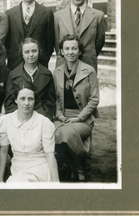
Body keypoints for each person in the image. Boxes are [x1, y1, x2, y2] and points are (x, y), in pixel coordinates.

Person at [53, 34, 99, 181]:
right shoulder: (57, 72)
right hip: (62, 117)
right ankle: (66, 164)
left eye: (74, 48)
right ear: (61, 51)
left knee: (65, 134)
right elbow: (54, 99)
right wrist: (60, 116)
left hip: (83, 119)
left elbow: (94, 99)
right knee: (50, 133)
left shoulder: (89, 71)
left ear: (79, 51)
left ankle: (80, 164)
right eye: (67, 48)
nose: (70, 52)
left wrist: (80, 117)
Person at [0, 86, 59, 183]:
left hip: (39, 167)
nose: (26, 103)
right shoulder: (6, 121)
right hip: (18, 168)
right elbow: (3, 151)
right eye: (22, 99)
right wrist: (0, 180)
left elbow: (50, 155)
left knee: (18, 184)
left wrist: (56, 184)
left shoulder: (44, 123)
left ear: (35, 101)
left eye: (30, 99)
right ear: (15, 100)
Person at [54, 0, 106, 71]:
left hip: (88, 66)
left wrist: (88, 55)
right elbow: (57, 45)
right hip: (64, 67)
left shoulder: (98, 16)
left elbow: (99, 44)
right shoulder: (58, 16)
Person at [5, 0, 55, 70]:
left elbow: (50, 42)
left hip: (39, 67)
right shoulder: (9, 14)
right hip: (15, 67)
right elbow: (7, 43)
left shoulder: (46, 13)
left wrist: (43, 61)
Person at [4, 38, 56, 121]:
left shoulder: (47, 74)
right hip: (19, 119)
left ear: (39, 51)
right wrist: (21, 118)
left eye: (34, 51)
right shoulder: (13, 75)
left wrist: (40, 118)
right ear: (22, 53)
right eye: (27, 52)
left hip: (41, 119)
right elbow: (9, 103)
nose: (31, 54)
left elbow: (50, 103)